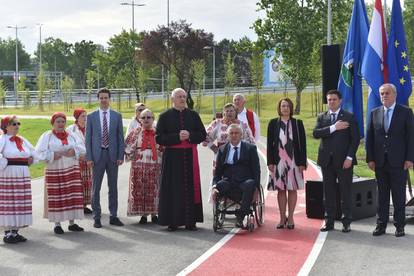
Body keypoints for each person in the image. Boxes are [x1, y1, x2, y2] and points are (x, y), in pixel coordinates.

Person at [366, 83, 414, 237]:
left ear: (394, 95)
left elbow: (411, 138)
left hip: (399, 161)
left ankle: (400, 226)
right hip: (380, 162)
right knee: (382, 195)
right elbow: (370, 138)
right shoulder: (374, 113)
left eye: (387, 93)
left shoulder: (405, 112)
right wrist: (370, 158)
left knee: (399, 195)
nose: (384, 96)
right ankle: (381, 225)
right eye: (381, 94)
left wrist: (409, 158)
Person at [155, 88, 206, 231]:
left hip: (190, 156)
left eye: (184, 96)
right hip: (172, 158)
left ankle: (191, 221)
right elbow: (159, 138)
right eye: (179, 96)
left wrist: (190, 135)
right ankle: (173, 221)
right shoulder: (164, 116)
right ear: (173, 99)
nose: (182, 99)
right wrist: (177, 137)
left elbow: (202, 134)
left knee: (190, 188)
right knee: (173, 189)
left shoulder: (194, 115)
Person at [313, 90, 360, 233]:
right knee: (329, 193)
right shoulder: (322, 117)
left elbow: (355, 139)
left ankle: (346, 222)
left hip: (344, 161)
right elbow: (316, 133)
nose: (331, 102)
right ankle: (329, 221)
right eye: (329, 99)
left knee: (345, 192)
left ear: (340, 101)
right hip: (326, 161)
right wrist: (334, 127)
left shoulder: (349, 117)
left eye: (334, 99)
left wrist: (349, 158)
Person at [36, 112, 85, 235]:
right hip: (55, 169)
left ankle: (72, 223)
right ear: (53, 123)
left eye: (63, 121)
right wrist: (52, 155)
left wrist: (74, 151)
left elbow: (82, 148)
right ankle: (57, 224)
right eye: (58, 121)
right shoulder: (47, 136)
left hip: (71, 169)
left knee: (71, 195)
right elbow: (38, 153)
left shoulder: (71, 135)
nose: (61, 124)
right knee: (57, 196)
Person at [85, 88, 125, 228]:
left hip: (112, 155)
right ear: (98, 99)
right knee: (96, 187)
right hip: (97, 156)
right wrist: (89, 157)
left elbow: (120, 137)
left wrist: (121, 155)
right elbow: (87, 139)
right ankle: (97, 217)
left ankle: (113, 215)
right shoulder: (91, 116)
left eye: (105, 97)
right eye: (101, 98)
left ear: (109, 99)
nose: (103, 100)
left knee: (113, 187)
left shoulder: (116, 116)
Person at [267, 98, 307, 230]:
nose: (285, 108)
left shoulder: (297, 123)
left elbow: (303, 144)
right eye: (283, 106)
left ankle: (290, 217)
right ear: (279, 108)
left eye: (287, 106)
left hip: (294, 161)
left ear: (291, 108)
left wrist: (302, 162)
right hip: (278, 161)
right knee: (281, 190)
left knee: (292, 189)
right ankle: (282, 217)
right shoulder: (273, 123)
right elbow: (269, 144)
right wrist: (270, 161)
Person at [213, 124, 261, 228]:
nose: (234, 135)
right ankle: (219, 215)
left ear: (241, 135)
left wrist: (256, 188)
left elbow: (256, 170)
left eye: (236, 133)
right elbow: (217, 172)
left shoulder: (250, 148)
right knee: (220, 185)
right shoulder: (222, 149)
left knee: (250, 184)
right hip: (228, 181)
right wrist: (214, 187)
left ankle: (241, 215)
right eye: (231, 133)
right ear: (228, 135)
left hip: (244, 181)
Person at [0, 116, 36, 243]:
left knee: (19, 202)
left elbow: (33, 152)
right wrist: (4, 162)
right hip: (9, 174)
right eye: (13, 124)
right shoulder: (2, 139)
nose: (17, 126)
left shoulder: (22, 140)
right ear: (6, 126)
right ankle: (7, 233)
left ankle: (15, 232)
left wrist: (31, 158)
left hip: (22, 174)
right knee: (9, 202)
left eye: (18, 124)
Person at [125, 109, 162, 224]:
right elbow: (127, 145)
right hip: (139, 166)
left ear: (153, 119)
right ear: (139, 119)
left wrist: (160, 151)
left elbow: (164, 147)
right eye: (143, 117)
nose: (146, 119)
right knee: (141, 189)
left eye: (149, 117)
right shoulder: (135, 132)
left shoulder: (159, 133)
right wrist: (132, 153)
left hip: (155, 165)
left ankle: (154, 213)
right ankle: (144, 215)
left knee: (154, 189)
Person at [203, 103, 254, 168]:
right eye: (227, 111)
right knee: (220, 176)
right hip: (221, 156)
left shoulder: (242, 124)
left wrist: (242, 149)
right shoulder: (217, 123)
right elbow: (205, 137)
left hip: (239, 157)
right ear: (224, 113)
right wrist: (213, 147)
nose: (229, 113)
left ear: (235, 112)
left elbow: (251, 141)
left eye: (231, 111)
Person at [67, 108, 93, 214]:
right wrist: (79, 155)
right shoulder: (70, 130)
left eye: (86, 116)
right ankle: (77, 204)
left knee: (88, 182)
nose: (85, 118)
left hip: (89, 159)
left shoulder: (90, 128)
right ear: (77, 117)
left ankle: (85, 204)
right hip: (77, 160)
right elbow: (70, 145)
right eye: (83, 116)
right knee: (78, 182)